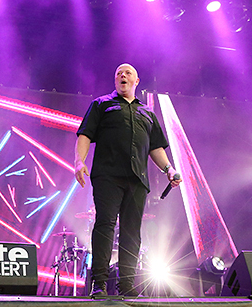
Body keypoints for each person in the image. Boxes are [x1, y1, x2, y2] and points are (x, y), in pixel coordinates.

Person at [74, 63, 181, 297]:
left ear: (136, 81)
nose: (122, 75)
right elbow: (85, 134)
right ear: (115, 80)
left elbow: (156, 147)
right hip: (107, 176)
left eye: (127, 73)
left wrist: (169, 169)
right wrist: (79, 162)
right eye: (118, 73)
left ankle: (127, 286)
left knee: (132, 231)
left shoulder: (147, 113)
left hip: (137, 180)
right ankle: (99, 284)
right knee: (105, 226)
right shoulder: (102, 104)